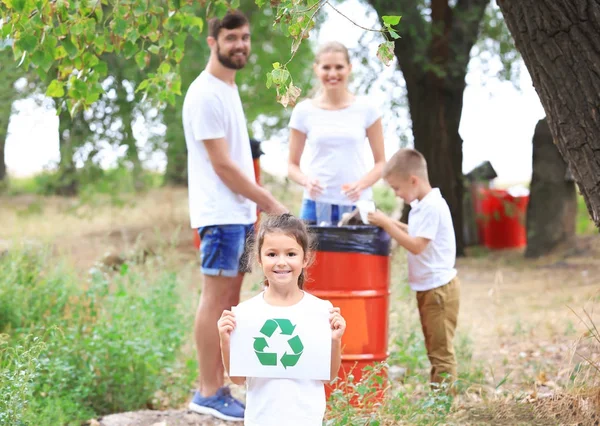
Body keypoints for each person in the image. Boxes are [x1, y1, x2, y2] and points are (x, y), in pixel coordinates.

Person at [182, 10, 287, 422]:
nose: (239, 45)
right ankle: (209, 391)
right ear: (213, 42)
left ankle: (218, 386)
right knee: (215, 300)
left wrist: (255, 208)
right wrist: (271, 203)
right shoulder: (205, 93)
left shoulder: (227, 87)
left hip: (239, 215)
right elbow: (223, 166)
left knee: (229, 302)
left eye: (244, 37)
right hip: (221, 216)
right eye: (231, 38)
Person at [218, 213, 347, 425]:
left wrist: (335, 340)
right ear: (259, 259)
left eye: (290, 254)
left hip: (306, 418)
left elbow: (328, 375)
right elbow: (238, 378)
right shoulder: (247, 314)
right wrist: (225, 340)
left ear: (305, 258)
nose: (281, 262)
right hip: (261, 419)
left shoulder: (320, 311)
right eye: (271, 254)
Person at [367, 148, 460, 388]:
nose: (397, 195)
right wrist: (389, 222)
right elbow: (416, 233)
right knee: (433, 346)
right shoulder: (422, 205)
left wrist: (387, 224)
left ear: (413, 180)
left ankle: (444, 404)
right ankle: (439, 396)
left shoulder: (432, 206)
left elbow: (417, 246)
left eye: (397, 188)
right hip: (429, 288)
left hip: (439, 290)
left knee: (441, 351)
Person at [287, 41, 386, 225]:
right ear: (316, 69)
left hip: (357, 206)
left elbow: (381, 163)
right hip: (314, 205)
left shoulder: (367, 109)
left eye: (339, 67)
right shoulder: (303, 111)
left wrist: (361, 185)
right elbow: (292, 166)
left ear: (349, 68)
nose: (333, 74)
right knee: (310, 254)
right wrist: (306, 181)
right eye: (326, 68)